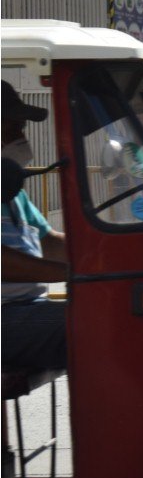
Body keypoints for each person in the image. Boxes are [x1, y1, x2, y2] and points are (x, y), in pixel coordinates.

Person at [1, 81, 67, 371]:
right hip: (6, 315)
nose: (21, 138)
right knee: (92, 320)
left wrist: (109, 255)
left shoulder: (12, 191)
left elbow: (49, 242)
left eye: (21, 128)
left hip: (22, 309)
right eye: (12, 128)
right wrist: (77, 275)